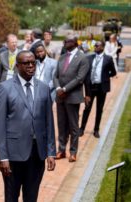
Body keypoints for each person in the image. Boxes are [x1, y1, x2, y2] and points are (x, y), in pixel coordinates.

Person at [0, 50, 56, 202]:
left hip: (37, 154)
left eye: (33, 63)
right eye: (26, 63)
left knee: (31, 197)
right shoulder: (5, 88)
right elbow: (0, 125)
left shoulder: (43, 88)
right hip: (13, 154)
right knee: (11, 197)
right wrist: (3, 157)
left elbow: (49, 122)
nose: (30, 66)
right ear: (17, 66)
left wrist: (51, 152)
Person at [53, 34, 89, 162]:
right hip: (60, 97)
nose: (65, 43)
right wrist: (58, 89)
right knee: (61, 124)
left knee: (73, 126)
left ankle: (73, 152)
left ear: (74, 42)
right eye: (64, 41)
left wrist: (65, 89)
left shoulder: (83, 58)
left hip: (72, 96)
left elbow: (80, 79)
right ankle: (61, 150)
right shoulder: (62, 57)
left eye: (67, 41)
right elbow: (55, 76)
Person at [79, 41, 117, 138]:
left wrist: (105, 78)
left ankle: (96, 130)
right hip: (91, 87)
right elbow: (86, 73)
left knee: (99, 109)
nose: (95, 47)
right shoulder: (89, 58)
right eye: (95, 45)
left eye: (97, 45)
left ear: (103, 47)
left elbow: (113, 72)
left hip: (101, 88)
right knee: (87, 108)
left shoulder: (108, 59)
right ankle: (82, 129)